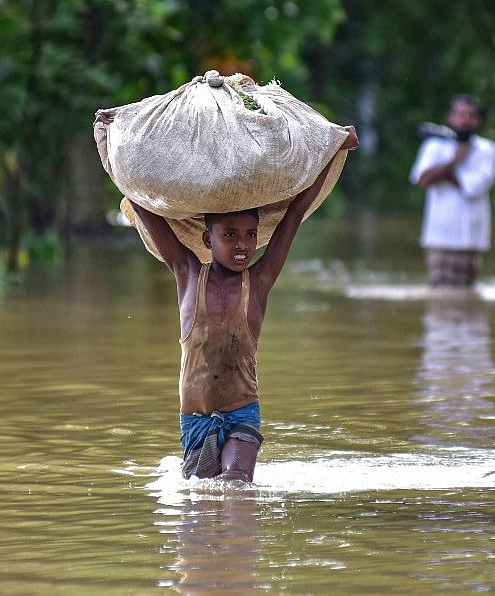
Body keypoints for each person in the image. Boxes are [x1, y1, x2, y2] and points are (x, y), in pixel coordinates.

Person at [129, 126, 359, 482]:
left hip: (242, 413)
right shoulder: (189, 274)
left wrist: (332, 151)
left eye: (251, 235)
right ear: (208, 239)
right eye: (230, 235)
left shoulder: (260, 280)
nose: (243, 246)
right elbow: (146, 208)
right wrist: (115, 147)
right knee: (199, 504)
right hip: (195, 419)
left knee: (236, 483)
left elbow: (294, 215)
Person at [410, 95, 495, 288]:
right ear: (450, 118)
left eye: (471, 115)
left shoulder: (487, 149)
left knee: (467, 294)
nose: (466, 119)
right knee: (441, 292)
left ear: (478, 121)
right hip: (440, 237)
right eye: (461, 114)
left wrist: (442, 174)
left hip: (472, 238)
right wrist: (456, 161)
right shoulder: (434, 146)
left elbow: (476, 187)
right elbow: (423, 180)